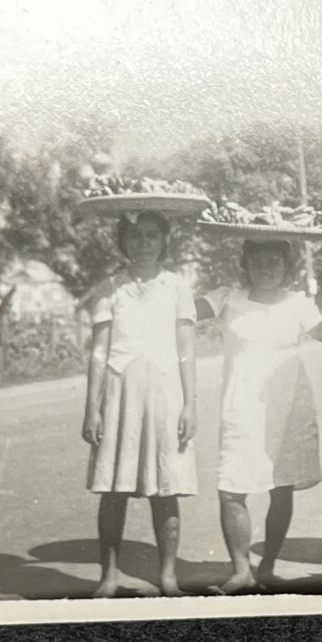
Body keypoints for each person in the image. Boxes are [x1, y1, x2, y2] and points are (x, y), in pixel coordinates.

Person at [201, 239, 322, 594]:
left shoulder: (298, 304)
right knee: (231, 487)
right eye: (258, 261)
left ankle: (269, 565)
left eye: (274, 261)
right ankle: (241, 570)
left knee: (281, 486)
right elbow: (182, 313)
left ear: (286, 266)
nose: (266, 268)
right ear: (246, 263)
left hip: (288, 401)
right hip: (241, 403)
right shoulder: (228, 298)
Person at [83, 211, 197, 597]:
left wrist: (190, 405)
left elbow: (186, 351)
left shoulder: (177, 287)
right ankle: (108, 576)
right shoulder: (109, 288)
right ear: (123, 241)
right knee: (113, 490)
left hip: (166, 393)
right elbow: (98, 353)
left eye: (152, 236)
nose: (143, 243)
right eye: (134, 236)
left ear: (165, 240)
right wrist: (92, 408)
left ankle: (167, 576)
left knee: (165, 487)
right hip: (120, 393)